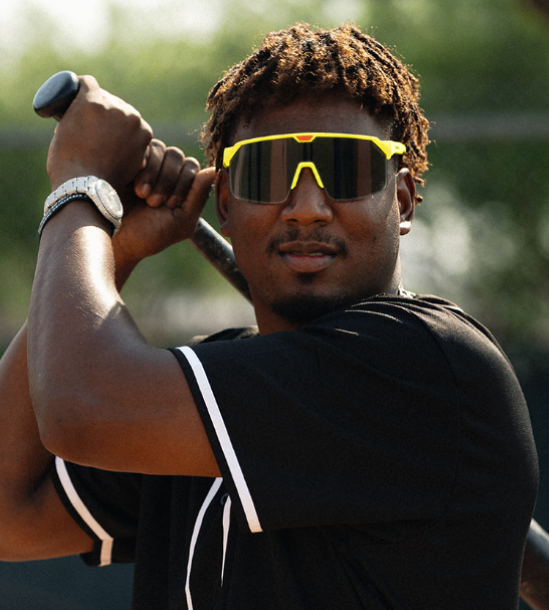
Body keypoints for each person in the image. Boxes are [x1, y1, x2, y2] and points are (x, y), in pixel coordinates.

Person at [0, 22, 544, 610]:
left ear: (403, 200)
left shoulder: (428, 368)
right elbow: (10, 511)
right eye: (268, 172)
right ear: (225, 203)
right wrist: (120, 248)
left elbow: (82, 406)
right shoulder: (202, 396)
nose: (307, 208)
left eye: (348, 169)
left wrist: (82, 189)